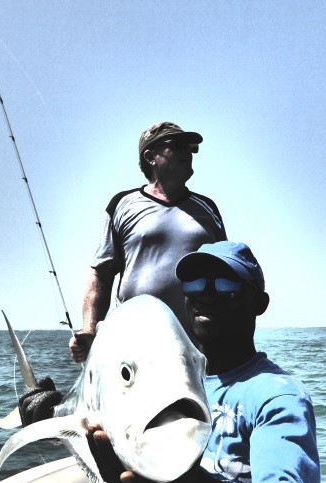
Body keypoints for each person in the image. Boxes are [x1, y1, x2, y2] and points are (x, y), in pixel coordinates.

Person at [85, 241, 321, 483]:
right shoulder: (183, 391)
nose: (205, 295)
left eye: (225, 285)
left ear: (259, 303)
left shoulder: (277, 396)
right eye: (194, 285)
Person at [68, 121, 227, 363]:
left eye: (191, 147)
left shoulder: (208, 208)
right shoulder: (122, 204)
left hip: (198, 350)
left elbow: (229, 271)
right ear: (150, 156)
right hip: (134, 346)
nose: (188, 152)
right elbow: (101, 273)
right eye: (178, 145)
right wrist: (90, 331)